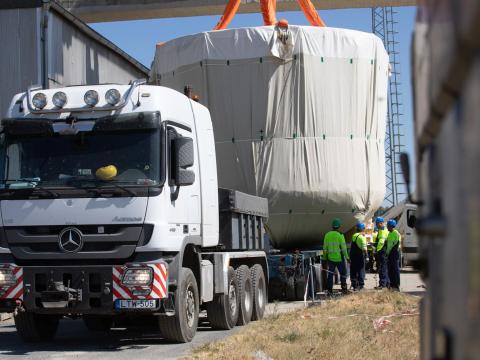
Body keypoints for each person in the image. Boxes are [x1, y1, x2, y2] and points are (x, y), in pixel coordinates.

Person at [323, 218, 349, 294]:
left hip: (330, 259)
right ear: (339, 226)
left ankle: (329, 290)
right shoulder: (340, 235)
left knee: (330, 275)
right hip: (339, 259)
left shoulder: (327, 235)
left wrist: (324, 257)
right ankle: (344, 289)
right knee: (343, 273)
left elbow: (325, 248)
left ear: (332, 226)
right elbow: (344, 248)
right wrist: (347, 258)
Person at [350, 223, 368, 290]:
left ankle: (354, 285)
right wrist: (367, 256)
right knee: (361, 270)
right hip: (359, 256)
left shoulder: (354, 236)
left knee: (354, 270)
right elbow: (364, 248)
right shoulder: (361, 237)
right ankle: (361, 285)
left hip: (353, 255)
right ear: (363, 229)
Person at [386, 219, 402, 290]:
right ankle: (392, 284)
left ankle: (396, 285)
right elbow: (389, 244)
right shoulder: (389, 233)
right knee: (390, 269)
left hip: (394, 252)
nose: (387, 227)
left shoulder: (396, 233)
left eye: (388, 226)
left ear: (391, 226)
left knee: (395, 269)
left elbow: (395, 244)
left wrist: (391, 251)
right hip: (390, 253)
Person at [375, 217, 390, 289]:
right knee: (382, 268)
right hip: (382, 251)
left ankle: (383, 284)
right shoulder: (381, 230)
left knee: (383, 268)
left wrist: (377, 250)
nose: (376, 225)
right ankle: (384, 283)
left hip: (382, 252)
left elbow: (381, 243)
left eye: (377, 224)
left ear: (381, 223)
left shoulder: (383, 231)